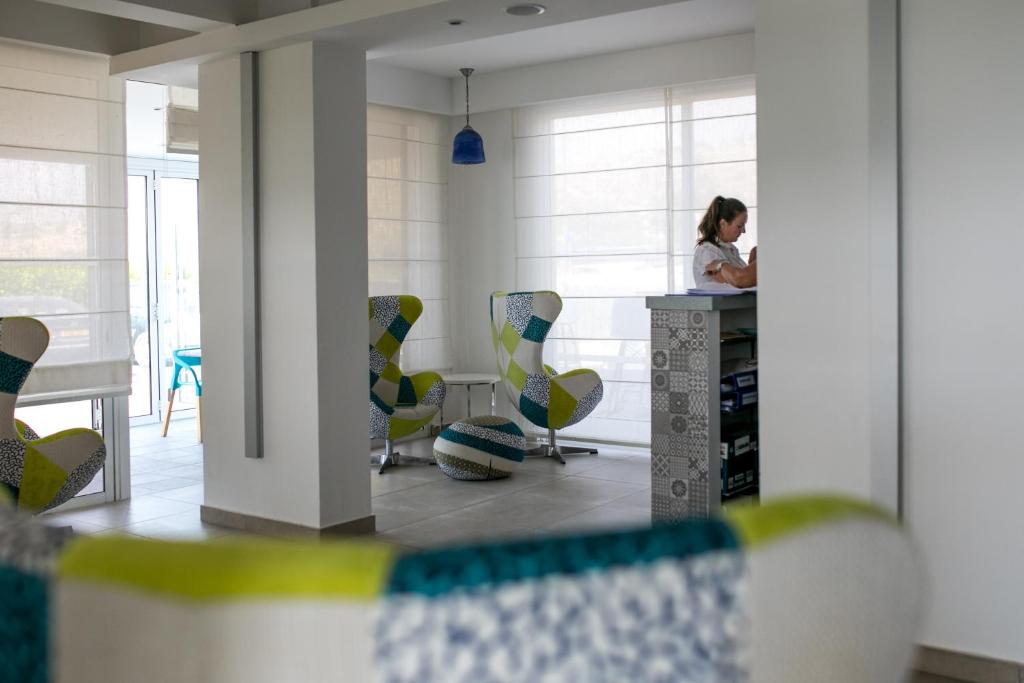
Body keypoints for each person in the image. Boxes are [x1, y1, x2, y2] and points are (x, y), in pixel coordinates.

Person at [692, 196, 757, 288]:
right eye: (739, 226)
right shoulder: (707, 251)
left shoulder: (731, 250)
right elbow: (737, 282)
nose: (743, 231)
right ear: (723, 224)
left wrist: (752, 264)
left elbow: (744, 282)